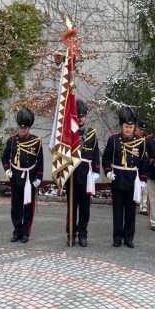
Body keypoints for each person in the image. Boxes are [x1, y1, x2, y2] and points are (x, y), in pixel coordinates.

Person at [102, 107, 147, 248]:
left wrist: (143, 180)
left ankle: (128, 238)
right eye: (126, 127)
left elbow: (144, 161)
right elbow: (106, 158)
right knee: (117, 211)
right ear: (122, 126)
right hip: (117, 179)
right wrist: (108, 172)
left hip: (132, 180)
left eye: (131, 127)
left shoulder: (140, 141)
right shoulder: (113, 139)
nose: (128, 129)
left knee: (130, 211)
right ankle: (117, 237)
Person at [2, 108, 43, 244]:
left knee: (28, 207)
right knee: (16, 207)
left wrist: (39, 178)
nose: (22, 130)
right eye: (21, 127)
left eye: (25, 128)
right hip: (16, 178)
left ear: (29, 127)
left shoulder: (36, 141)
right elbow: (5, 157)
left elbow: (40, 161)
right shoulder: (12, 141)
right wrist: (7, 169)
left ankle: (26, 233)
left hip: (30, 179)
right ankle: (17, 231)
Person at [64, 100, 99, 247]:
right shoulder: (68, 133)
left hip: (86, 176)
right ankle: (71, 233)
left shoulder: (91, 134)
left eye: (83, 116)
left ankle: (83, 234)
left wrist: (96, 171)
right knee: (71, 208)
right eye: (78, 116)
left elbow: (96, 154)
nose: (81, 118)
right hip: (71, 175)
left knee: (85, 208)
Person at [136, 120, 148, 215]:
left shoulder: (146, 139)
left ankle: (143, 207)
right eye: (140, 129)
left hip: (143, 164)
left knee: (143, 185)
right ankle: (136, 201)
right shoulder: (132, 137)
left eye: (143, 130)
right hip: (133, 164)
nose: (142, 131)